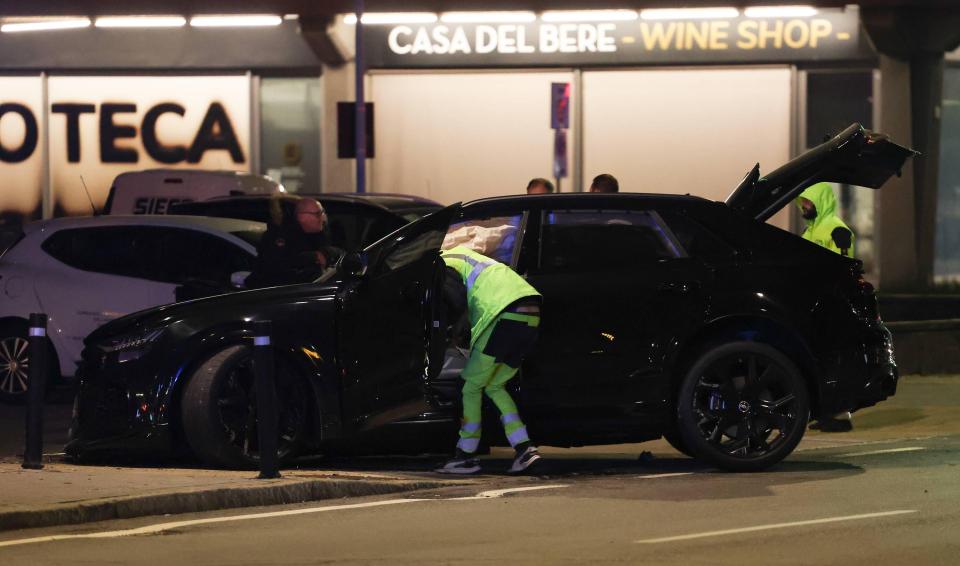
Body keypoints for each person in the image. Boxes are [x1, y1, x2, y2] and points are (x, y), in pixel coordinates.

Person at [436, 245, 543, 474]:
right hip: (531, 313)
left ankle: (465, 456)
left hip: (502, 314)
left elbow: (455, 303)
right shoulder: (469, 258)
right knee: (495, 385)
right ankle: (525, 449)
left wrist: (447, 333)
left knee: (470, 386)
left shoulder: (444, 264)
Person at [797, 182, 855, 432]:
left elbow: (844, 265)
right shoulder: (809, 233)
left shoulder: (836, 229)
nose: (804, 207)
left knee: (832, 358)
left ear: (820, 200)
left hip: (831, 304)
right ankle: (827, 412)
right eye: (803, 203)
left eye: (808, 202)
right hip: (816, 303)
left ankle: (840, 414)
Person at [245, 196, 343, 288]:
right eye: (317, 214)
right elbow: (280, 266)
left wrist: (327, 253)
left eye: (322, 213)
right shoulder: (279, 238)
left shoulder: (318, 235)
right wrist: (313, 257)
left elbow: (338, 253)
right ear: (301, 216)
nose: (323, 218)